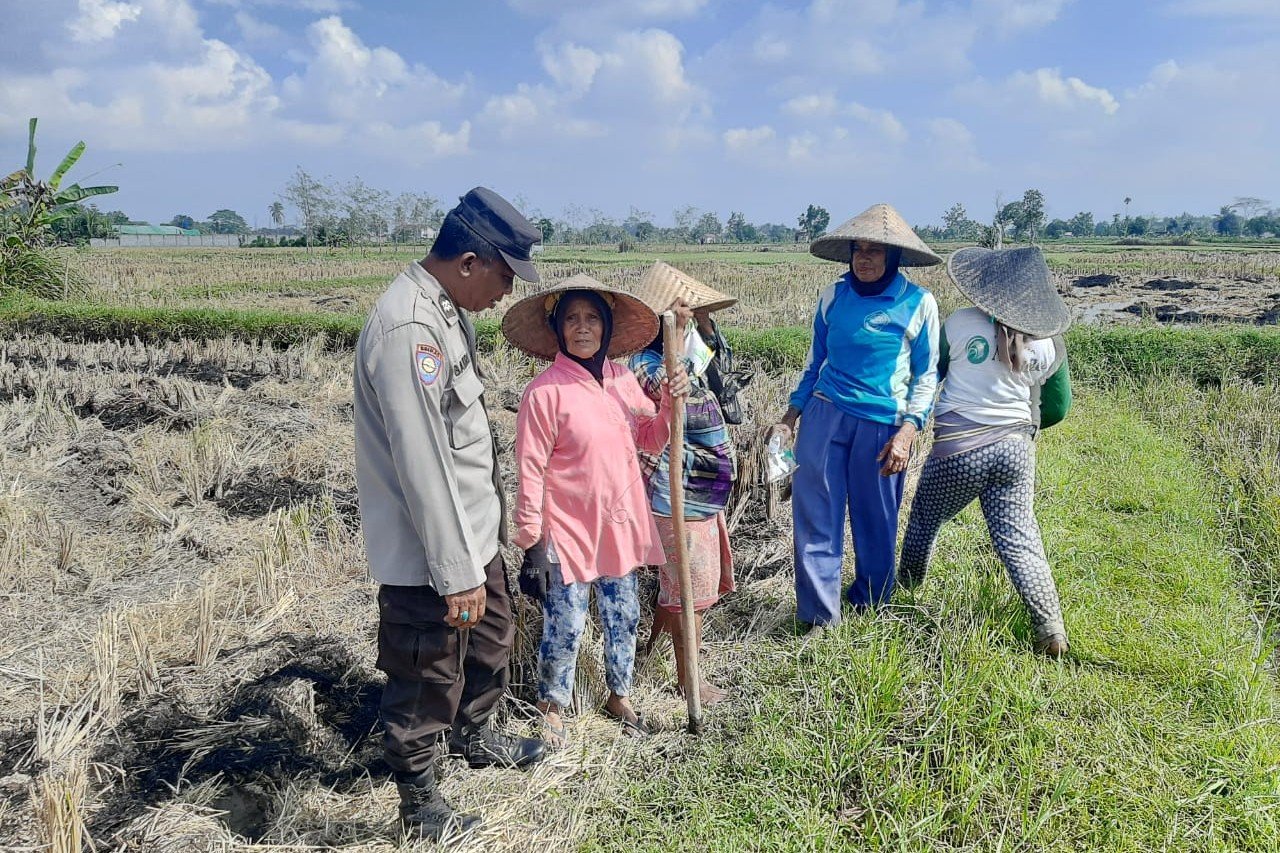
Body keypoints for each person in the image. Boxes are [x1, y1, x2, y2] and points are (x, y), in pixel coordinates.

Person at [353, 187, 546, 841]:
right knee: (425, 667)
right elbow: (421, 460)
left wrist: (483, 552)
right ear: (470, 261)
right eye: (502, 276)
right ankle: (419, 801)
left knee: (493, 636)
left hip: (474, 533)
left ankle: (475, 734)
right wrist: (453, 568)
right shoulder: (410, 326)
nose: (504, 293)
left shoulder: (445, 312)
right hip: (431, 552)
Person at [502, 273, 690, 747]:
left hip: (619, 527)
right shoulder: (544, 393)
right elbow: (530, 470)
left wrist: (669, 404)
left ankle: (618, 694)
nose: (582, 328)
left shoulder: (623, 380)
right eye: (571, 319)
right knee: (565, 621)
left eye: (591, 318)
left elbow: (649, 436)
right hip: (567, 531)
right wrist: (532, 540)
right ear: (558, 330)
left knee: (623, 613)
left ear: (606, 326)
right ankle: (551, 703)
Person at [772, 203, 942, 630]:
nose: (864, 259)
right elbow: (815, 364)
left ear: (894, 258)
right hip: (825, 417)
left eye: (875, 251)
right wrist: (790, 417)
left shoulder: (919, 303)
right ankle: (818, 618)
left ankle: (872, 604)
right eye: (858, 250)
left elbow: (926, 376)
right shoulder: (834, 296)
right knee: (815, 517)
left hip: (884, 427)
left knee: (877, 520)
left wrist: (908, 432)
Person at [898, 246, 1073, 658]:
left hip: (959, 450)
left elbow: (930, 376)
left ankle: (904, 593)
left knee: (925, 520)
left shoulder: (960, 323)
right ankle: (1050, 627)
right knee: (1020, 538)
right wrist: (1020, 431)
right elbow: (1058, 407)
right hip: (1015, 451)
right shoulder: (1051, 343)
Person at [629, 261, 738, 704]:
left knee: (677, 584)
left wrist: (705, 336)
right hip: (676, 495)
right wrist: (680, 345)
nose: (698, 320)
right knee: (687, 589)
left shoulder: (699, 355)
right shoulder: (649, 364)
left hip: (703, 492)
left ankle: (654, 651)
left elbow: (725, 394)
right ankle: (687, 677)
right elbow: (675, 399)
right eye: (687, 313)